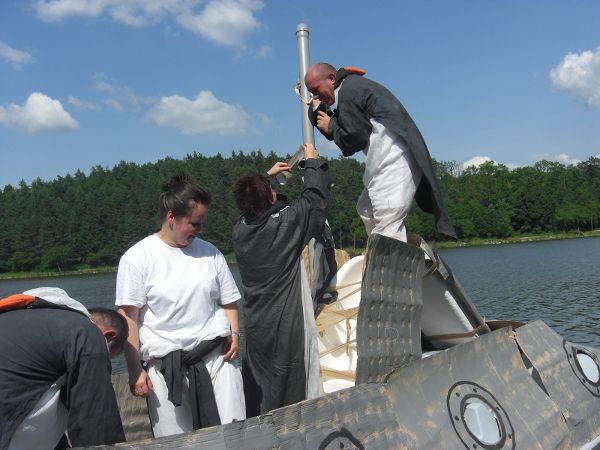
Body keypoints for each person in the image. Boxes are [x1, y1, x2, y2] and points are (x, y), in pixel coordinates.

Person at [116, 173, 245, 438]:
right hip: (166, 368)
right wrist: (135, 369)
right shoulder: (137, 258)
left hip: (217, 359)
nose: (200, 230)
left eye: (202, 223)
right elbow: (128, 318)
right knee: (173, 441)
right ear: (171, 217)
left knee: (234, 434)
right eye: (194, 223)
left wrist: (234, 333)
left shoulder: (210, 253)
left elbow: (229, 300)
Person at [304, 62, 456, 242]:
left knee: (386, 219)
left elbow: (354, 139)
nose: (315, 96)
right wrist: (326, 119)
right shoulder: (350, 88)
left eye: (316, 90)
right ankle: (412, 250)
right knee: (366, 209)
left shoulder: (349, 91)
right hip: (385, 162)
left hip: (394, 161)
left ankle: (396, 256)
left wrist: (331, 127)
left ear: (331, 78)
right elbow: (344, 125)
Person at [231, 143, 331, 415]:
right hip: (287, 321)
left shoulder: (240, 231)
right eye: (271, 191)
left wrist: (266, 178)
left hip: (257, 325)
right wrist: (311, 163)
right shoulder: (282, 226)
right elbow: (314, 201)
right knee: (294, 380)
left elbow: (253, 205)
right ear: (268, 199)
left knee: (263, 384)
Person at [0, 287, 127, 450]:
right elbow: (96, 423)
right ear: (108, 337)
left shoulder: (13, 318)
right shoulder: (85, 333)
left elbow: (36, 392)